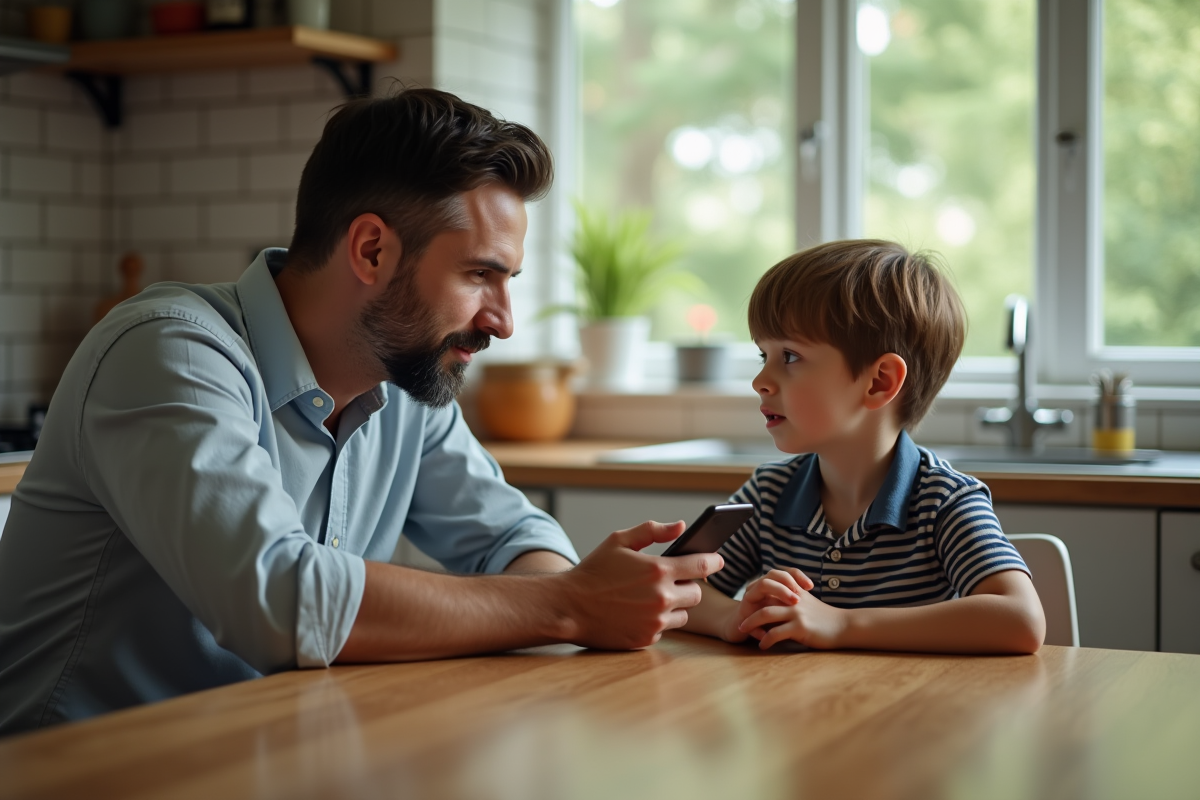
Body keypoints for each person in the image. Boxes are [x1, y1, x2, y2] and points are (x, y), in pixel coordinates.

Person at [0, 89, 721, 736]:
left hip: (261, 751)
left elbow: (509, 536)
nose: (502, 321)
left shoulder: (409, 378)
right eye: (479, 275)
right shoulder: (171, 352)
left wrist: (596, 595)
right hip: (84, 766)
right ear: (371, 250)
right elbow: (277, 600)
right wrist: (568, 606)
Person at [683, 240, 1046, 654]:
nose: (760, 380)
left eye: (789, 356)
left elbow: (1021, 620)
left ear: (879, 382)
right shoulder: (769, 492)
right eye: (762, 355)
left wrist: (841, 624)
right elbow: (673, 583)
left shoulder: (943, 500)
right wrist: (733, 617)